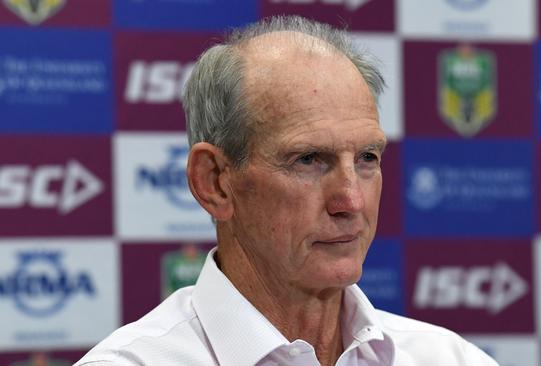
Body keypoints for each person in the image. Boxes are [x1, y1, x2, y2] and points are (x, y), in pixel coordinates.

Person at [76, 16, 498, 366]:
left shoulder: (449, 357)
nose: (351, 201)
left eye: (367, 157)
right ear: (215, 182)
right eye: (309, 159)